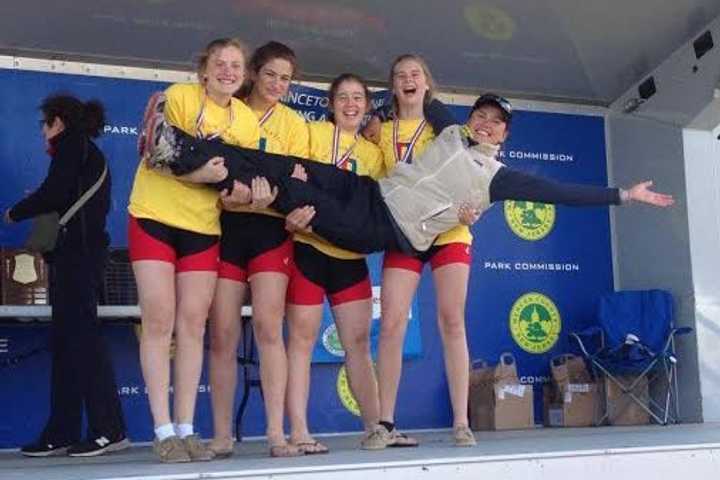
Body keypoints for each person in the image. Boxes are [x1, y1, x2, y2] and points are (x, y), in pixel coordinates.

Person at [139, 93, 673, 259]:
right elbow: (422, 90)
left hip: (381, 228)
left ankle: (202, 172)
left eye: (496, 122)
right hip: (370, 190)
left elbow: (560, 192)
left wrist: (624, 195)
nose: (485, 124)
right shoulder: (449, 130)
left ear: (504, 135)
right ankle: (176, 149)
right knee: (286, 166)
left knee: (290, 190)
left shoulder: (498, 176)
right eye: (482, 115)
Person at [127, 37, 260, 463]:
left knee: (193, 326)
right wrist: (200, 173)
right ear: (204, 70)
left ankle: (186, 429)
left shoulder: (246, 120)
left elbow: (230, 186)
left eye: (236, 65)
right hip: (153, 217)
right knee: (160, 318)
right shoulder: (179, 97)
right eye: (220, 63)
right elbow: (154, 151)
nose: (227, 71)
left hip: (203, 227)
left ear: (244, 75)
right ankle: (162, 431)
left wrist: (248, 196)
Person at [4, 94, 128, 457]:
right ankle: (63, 430)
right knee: (68, 343)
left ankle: (109, 428)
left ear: (57, 122)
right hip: (74, 255)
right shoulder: (84, 151)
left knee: (82, 341)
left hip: (79, 255)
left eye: (44, 124)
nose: (43, 132)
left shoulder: (72, 144)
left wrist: (16, 211)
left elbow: (54, 193)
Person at [369, 53, 477, 448]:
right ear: (393, 87)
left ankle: (462, 421)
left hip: (449, 231)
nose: (408, 80)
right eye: (400, 76)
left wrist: (471, 208)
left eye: (415, 74)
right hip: (405, 234)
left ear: (427, 83)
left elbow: (473, 173)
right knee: (393, 323)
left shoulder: (448, 127)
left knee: (452, 321)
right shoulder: (378, 130)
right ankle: (385, 422)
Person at [207, 41, 308, 459]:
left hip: (271, 233)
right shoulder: (228, 109)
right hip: (228, 229)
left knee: (269, 329)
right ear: (253, 74)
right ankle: (221, 435)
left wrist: (275, 199)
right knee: (223, 335)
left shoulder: (294, 124)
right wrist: (230, 198)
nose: (277, 84)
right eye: (270, 75)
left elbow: (299, 182)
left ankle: (275, 433)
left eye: (285, 78)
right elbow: (210, 171)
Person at [280, 74, 383, 454]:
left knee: (357, 344)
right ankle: (300, 431)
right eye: (343, 97)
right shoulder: (310, 134)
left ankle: (376, 427)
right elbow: (290, 180)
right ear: (331, 103)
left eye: (358, 98)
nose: (351, 104)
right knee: (301, 342)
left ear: (367, 106)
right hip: (307, 249)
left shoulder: (373, 155)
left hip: (349, 259)